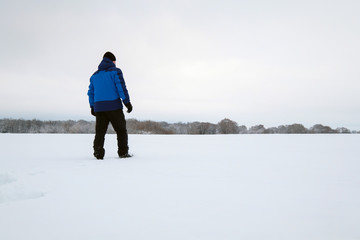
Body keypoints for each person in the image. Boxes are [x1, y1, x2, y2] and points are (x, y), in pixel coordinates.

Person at [87, 51, 133, 160]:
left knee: (100, 132)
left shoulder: (94, 76)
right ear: (113, 61)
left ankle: (98, 153)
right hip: (114, 107)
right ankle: (123, 153)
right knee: (121, 130)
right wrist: (127, 102)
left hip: (99, 108)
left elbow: (91, 92)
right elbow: (121, 87)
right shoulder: (115, 72)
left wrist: (92, 106)